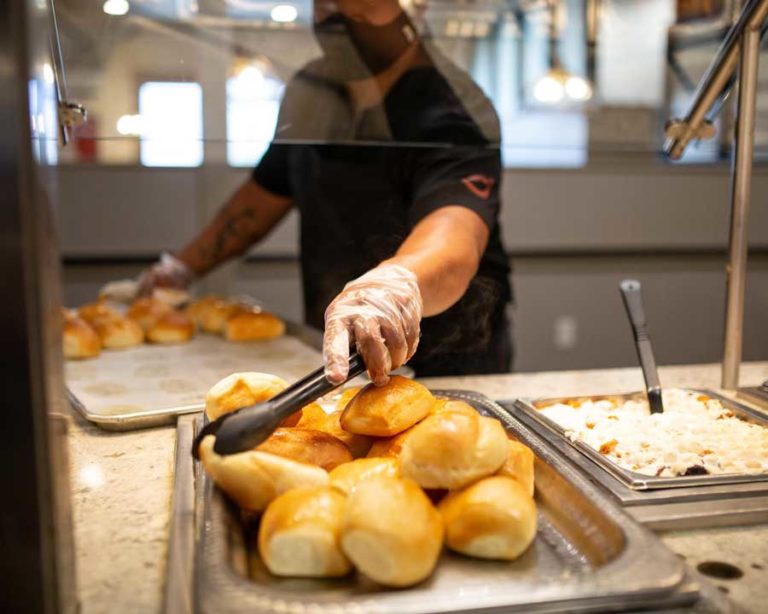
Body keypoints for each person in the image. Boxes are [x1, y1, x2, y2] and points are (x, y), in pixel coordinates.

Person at [138, 0, 512, 386]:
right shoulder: (311, 91)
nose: (341, 12)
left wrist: (392, 287)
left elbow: (455, 236)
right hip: (339, 353)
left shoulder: (454, 109)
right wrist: (178, 270)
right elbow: (260, 199)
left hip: (447, 363)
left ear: (414, 8)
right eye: (327, 2)